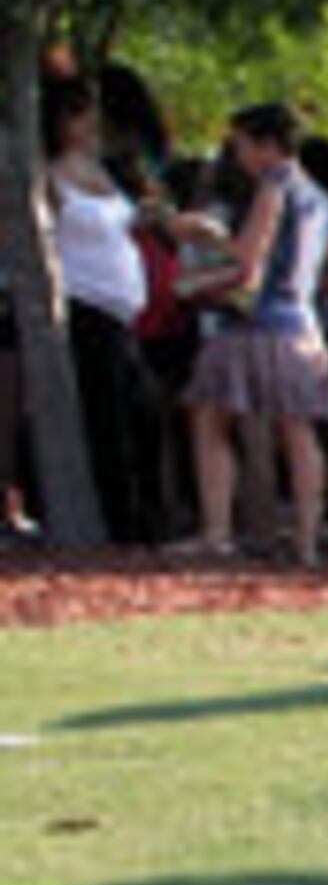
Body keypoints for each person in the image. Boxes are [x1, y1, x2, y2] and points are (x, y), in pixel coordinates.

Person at [171, 103, 328, 567]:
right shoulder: (324, 199)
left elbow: (246, 260)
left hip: (255, 324)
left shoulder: (272, 188)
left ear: (266, 145)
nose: (237, 155)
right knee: (299, 429)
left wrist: (202, 236)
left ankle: (217, 533)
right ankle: (308, 543)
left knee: (210, 418)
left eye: (241, 144)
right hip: (303, 324)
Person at [41, 70, 169, 545]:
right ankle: (123, 523)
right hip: (86, 305)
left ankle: (149, 516)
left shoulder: (99, 168)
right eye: (81, 113)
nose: (92, 122)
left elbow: (128, 219)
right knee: (111, 419)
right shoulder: (48, 174)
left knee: (146, 412)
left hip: (124, 311)